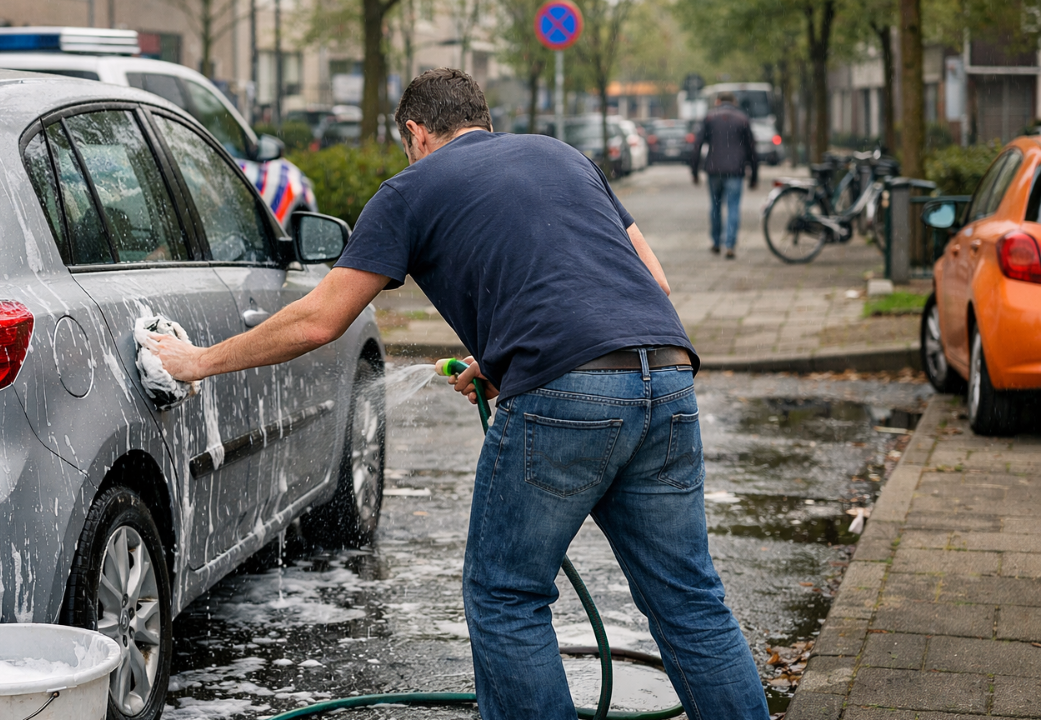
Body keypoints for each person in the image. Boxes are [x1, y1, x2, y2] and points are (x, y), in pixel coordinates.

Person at [150, 68, 767, 720]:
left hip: (565, 395)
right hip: (666, 372)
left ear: (415, 132)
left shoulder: (409, 189)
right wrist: (503, 360)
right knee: (689, 600)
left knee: (507, 595)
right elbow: (656, 283)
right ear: (484, 118)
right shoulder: (562, 155)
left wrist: (196, 362)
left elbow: (318, 320)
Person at [691, 91, 759, 259]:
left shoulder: (709, 118)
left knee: (715, 207)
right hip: (736, 170)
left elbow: (697, 145)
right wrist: (754, 175)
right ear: (734, 102)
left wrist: (694, 171)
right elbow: (752, 149)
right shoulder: (742, 119)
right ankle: (730, 244)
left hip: (714, 169)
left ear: (718, 101)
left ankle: (716, 242)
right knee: (733, 207)